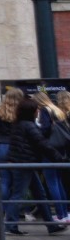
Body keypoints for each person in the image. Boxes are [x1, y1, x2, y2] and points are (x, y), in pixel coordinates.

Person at [4, 96, 67, 236]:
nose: (38, 111)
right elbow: (42, 144)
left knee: (40, 194)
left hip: (24, 163)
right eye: (36, 108)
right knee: (18, 195)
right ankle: (10, 226)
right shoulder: (29, 126)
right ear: (31, 111)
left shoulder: (19, 124)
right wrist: (59, 158)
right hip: (24, 164)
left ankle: (51, 225)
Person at [32, 91, 69, 222]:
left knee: (52, 183)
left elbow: (45, 130)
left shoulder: (44, 111)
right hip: (59, 150)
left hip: (49, 150)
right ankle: (65, 213)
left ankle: (60, 215)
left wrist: (36, 126)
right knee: (58, 182)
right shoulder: (56, 109)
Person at [0, 87, 24, 219]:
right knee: (17, 181)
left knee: (4, 180)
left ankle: (2, 211)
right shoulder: (21, 111)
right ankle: (13, 211)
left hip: (2, 146)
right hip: (16, 147)